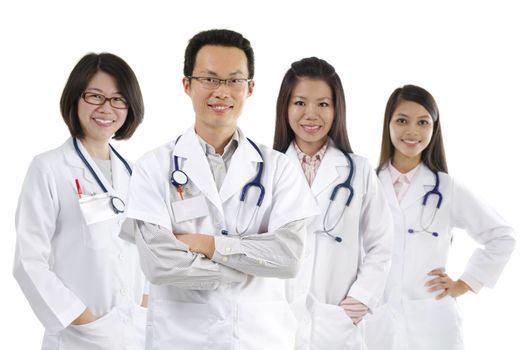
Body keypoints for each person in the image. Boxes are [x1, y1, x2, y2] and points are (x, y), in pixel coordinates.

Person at [122, 29, 318, 350]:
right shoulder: (153, 166)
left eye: (234, 80)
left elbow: (288, 257)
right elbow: (159, 263)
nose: (221, 91)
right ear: (187, 85)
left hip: (260, 338)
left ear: (250, 88)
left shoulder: (279, 168)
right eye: (209, 79)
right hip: (181, 339)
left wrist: (210, 245)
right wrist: (244, 269)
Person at [365, 84, 516, 350]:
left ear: (434, 128)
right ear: (388, 125)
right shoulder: (367, 185)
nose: (412, 131)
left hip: (432, 325)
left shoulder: (446, 189)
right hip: (375, 320)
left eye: (423, 122)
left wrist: (465, 283)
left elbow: (502, 235)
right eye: (402, 121)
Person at [13, 53, 147, 350]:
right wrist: (83, 320)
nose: (106, 108)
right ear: (75, 98)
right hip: (80, 337)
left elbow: (146, 252)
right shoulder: (49, 168)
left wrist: (144, 304)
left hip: (135, 333)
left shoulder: (135, 174)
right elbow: (28, 261)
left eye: (118, 99)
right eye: (95, 96)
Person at [273, 57, 393, 350]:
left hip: (334, 324)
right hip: (276, 320)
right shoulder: (267, 169)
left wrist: (359, 301)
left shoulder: (359, 170)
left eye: (323, 104)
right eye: (300, 102)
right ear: (285, 107)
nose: (311, 114)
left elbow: (382, 242)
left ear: (337, 109)